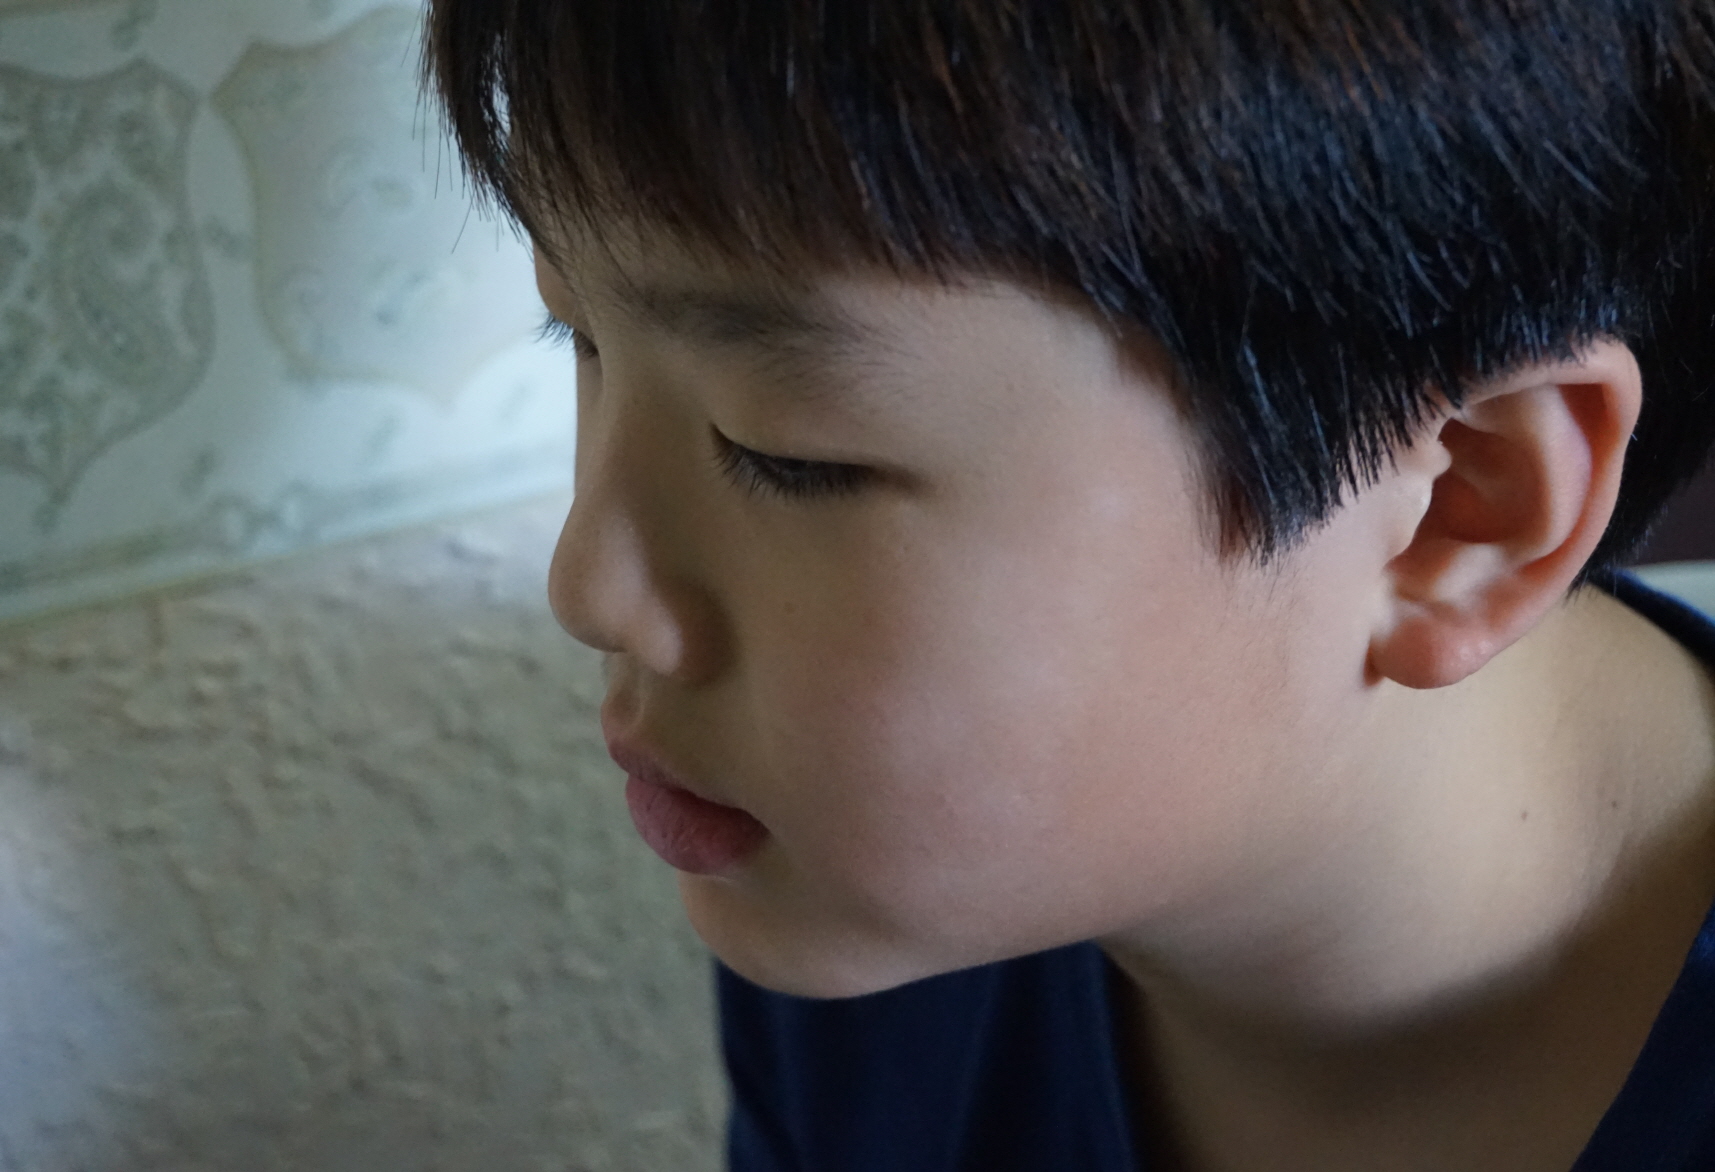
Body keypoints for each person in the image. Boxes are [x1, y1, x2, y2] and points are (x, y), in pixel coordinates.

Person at [424, 2, 1715, 1167]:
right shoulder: (866, 889)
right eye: (578, 338)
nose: (590, 588)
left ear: (1464, 509)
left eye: (788, 452)